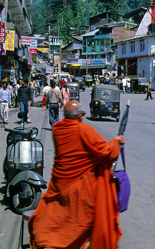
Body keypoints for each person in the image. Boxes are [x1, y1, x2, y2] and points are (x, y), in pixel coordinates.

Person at [28, 101, 125, 249]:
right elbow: (104, 151)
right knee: (81, 223)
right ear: (79, 116)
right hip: (79, 187)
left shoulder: (57, 129)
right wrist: (116, 142)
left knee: (59, 221)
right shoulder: (83, 129)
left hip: (59, 185)